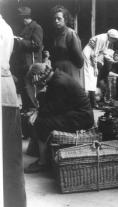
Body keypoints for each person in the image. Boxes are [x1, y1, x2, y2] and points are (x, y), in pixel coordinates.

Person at [24, 63, 94, 173]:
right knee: (40, 119)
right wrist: (38, 110)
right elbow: (51, 105)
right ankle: (44, 154)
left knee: (40, 123)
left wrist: (37, 110)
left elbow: (53, 109)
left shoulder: (58, 83)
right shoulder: (56, 77)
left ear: (39, 76)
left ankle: (43, 162)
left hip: (81, 118)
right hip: (76, 114)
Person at [1, 14, 27, 207]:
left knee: (8, 158)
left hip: (3, 94)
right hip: (5, 90)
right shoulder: (6, 27)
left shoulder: (3, 29)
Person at [12, 6, 43, 111]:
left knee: (30, 87)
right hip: (24, 63)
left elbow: (37, 45)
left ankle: (33, 109)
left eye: (22, 18)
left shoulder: (36, 27)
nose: (21, 20)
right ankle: (26, 108)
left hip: (31, 63)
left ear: (26, 17)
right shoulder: (26, 28)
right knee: (24, 87)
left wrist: (20, 41)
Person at [82, 29, 118, 106]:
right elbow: (94, 54)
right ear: (111, 37)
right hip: (88, 54)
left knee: (93, 77)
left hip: (92, 56)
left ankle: (92, 101)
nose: (114, 41)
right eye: (114, 39)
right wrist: (95, 68)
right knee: (90, 76)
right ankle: (90, 101)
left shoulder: (107, 39)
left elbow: (104, 52)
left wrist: (112, 60)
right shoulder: (102, 39)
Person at [50, 5, 84, 86]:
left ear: (65, 19)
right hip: (58, 70)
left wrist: (71, 67)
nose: (56, 21)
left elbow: (79, 58)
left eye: (59, 18)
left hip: (69, 70)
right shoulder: (56, 35)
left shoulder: (70, 34)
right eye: (55, 19)